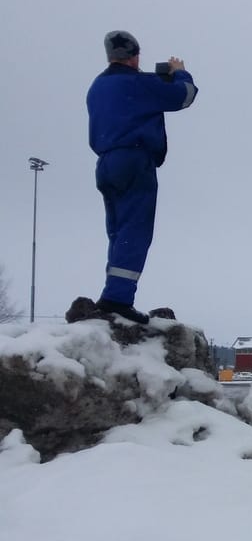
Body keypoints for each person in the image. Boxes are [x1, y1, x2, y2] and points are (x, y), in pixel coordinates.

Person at [86, 30, 198, 324]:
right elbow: (184, 96)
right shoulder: (137, 83)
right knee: (135, 231)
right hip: (135, 160)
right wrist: (180, 73)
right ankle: (118, 299)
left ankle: (112, 292)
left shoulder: (97, 87)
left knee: (118, 231)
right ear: (135, 57)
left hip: (106, 162)